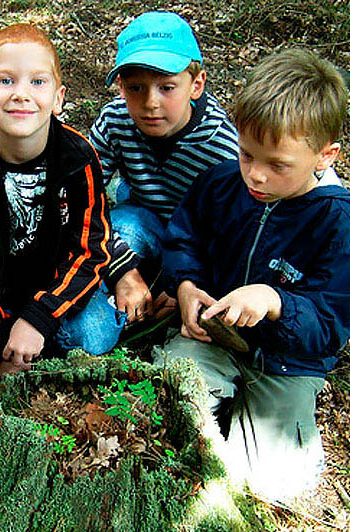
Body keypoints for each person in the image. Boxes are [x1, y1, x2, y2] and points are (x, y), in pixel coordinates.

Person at [159, 49, 350, 501]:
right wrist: (187, 285)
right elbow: (182, 238)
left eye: (277, 165)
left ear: (324, 156)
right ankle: (220, 410)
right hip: (213, 338)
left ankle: (260, 429)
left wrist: (275, 303)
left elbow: (329, 327)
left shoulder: (338, 226)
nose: (256, 175)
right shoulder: (221, 183)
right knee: (166, 395)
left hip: (286, 364)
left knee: (271, 487)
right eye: (247, 154)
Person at [0, 24, 131, 375]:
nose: (21, 94)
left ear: (58, 98)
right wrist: (2, 340)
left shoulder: (77, 158)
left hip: (60, 289)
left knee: (91, 335)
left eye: (37, 82)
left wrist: (39, 318)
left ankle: (117, 300)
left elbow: (90, 247)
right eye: (5, 81)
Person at [87, 11, 239, 349]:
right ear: (121, 87)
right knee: (125, 221)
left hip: (195, 237)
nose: (150, 103)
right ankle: (112, 305)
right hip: (143, 214)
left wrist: (183, 281)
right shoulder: (116, 120)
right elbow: (83, 196)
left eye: (167, 87)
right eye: (136, 88)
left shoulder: (221, 149)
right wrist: (122, 268)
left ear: (195, 85)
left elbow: (228, 234)